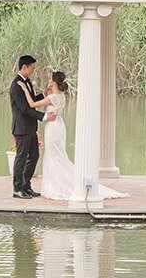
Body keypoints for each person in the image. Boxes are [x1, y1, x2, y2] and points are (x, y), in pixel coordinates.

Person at [35, 70, 126, 203]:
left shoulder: (52, 98)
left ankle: (56, 187)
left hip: (53, 127)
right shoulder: (61, 96)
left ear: (54, 82)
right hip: (59, 125)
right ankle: (55, 185)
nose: (48, 80)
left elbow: (33, 104)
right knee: (57, 155)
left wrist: (25, 92)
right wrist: (46, 91)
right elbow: (49, 100)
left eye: (50, 79)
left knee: (53, 155)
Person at [9, 55, 53, 199]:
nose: (33, 70)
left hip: (30, 127)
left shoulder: (26, 83)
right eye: (32, 68)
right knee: (21, 158)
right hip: (21, 128)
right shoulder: (16, 85)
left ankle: (26, 185)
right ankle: (17, 188)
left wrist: (43, 94)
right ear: (24, 67)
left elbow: (32, 101)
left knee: (34, 156)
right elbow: (24, 108)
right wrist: (44, 117)